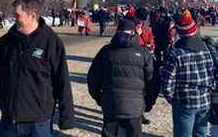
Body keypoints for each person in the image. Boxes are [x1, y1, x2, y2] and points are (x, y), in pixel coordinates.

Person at [0, 0, 75, 137]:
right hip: (10, 120)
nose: (14, 19)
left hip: (39, 122)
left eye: (17, 15)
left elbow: (62, 81)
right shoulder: (8, 39)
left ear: (32, 16)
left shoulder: (51, 42)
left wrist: (66, 117)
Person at [87, 19, 154, 137]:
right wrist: (148, 103)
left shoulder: (106, 51)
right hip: (134, 107)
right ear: (133, 33)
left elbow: (92, 79)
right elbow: (152, 81)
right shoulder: (144, 53)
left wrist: (99, 97)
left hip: (111, 104)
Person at [161, 9, 218, 137]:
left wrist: (173, 98)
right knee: (200, 134)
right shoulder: (209, 49)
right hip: (204, 101)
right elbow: (215, 74)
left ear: (180, 33)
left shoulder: (175, 53)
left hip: (184, 102)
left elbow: (167, 82)